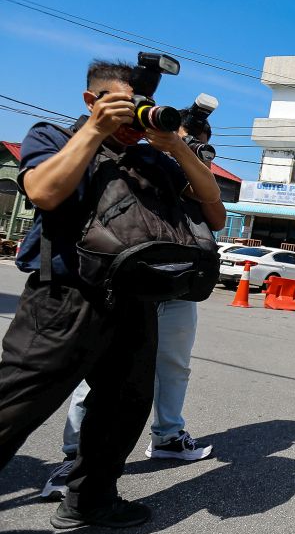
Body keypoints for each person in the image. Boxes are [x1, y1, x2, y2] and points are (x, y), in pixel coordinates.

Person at [0, 59, 226, 529]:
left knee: (125, 404)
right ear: (92, 100)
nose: (134, 123)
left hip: (133, 300)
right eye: (125, 109)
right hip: (64, 299)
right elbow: (43, 192)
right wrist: (95, 132)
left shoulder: (152, 158)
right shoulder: (54, 137)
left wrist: (178, 147)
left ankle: (91, 499)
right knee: (17, 403)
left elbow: (215, 212)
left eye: (142, 111)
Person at [39, 121, 217, 501]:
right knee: (97, 375)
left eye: (199, 146)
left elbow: (215, 214)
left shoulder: (179, 169)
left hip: (179, 281)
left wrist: (186, 154)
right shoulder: (133, 160)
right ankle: (75, 458)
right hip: (128, 281)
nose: (191, 149)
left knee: (174, 366)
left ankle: (168, 435)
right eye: (183, 140)